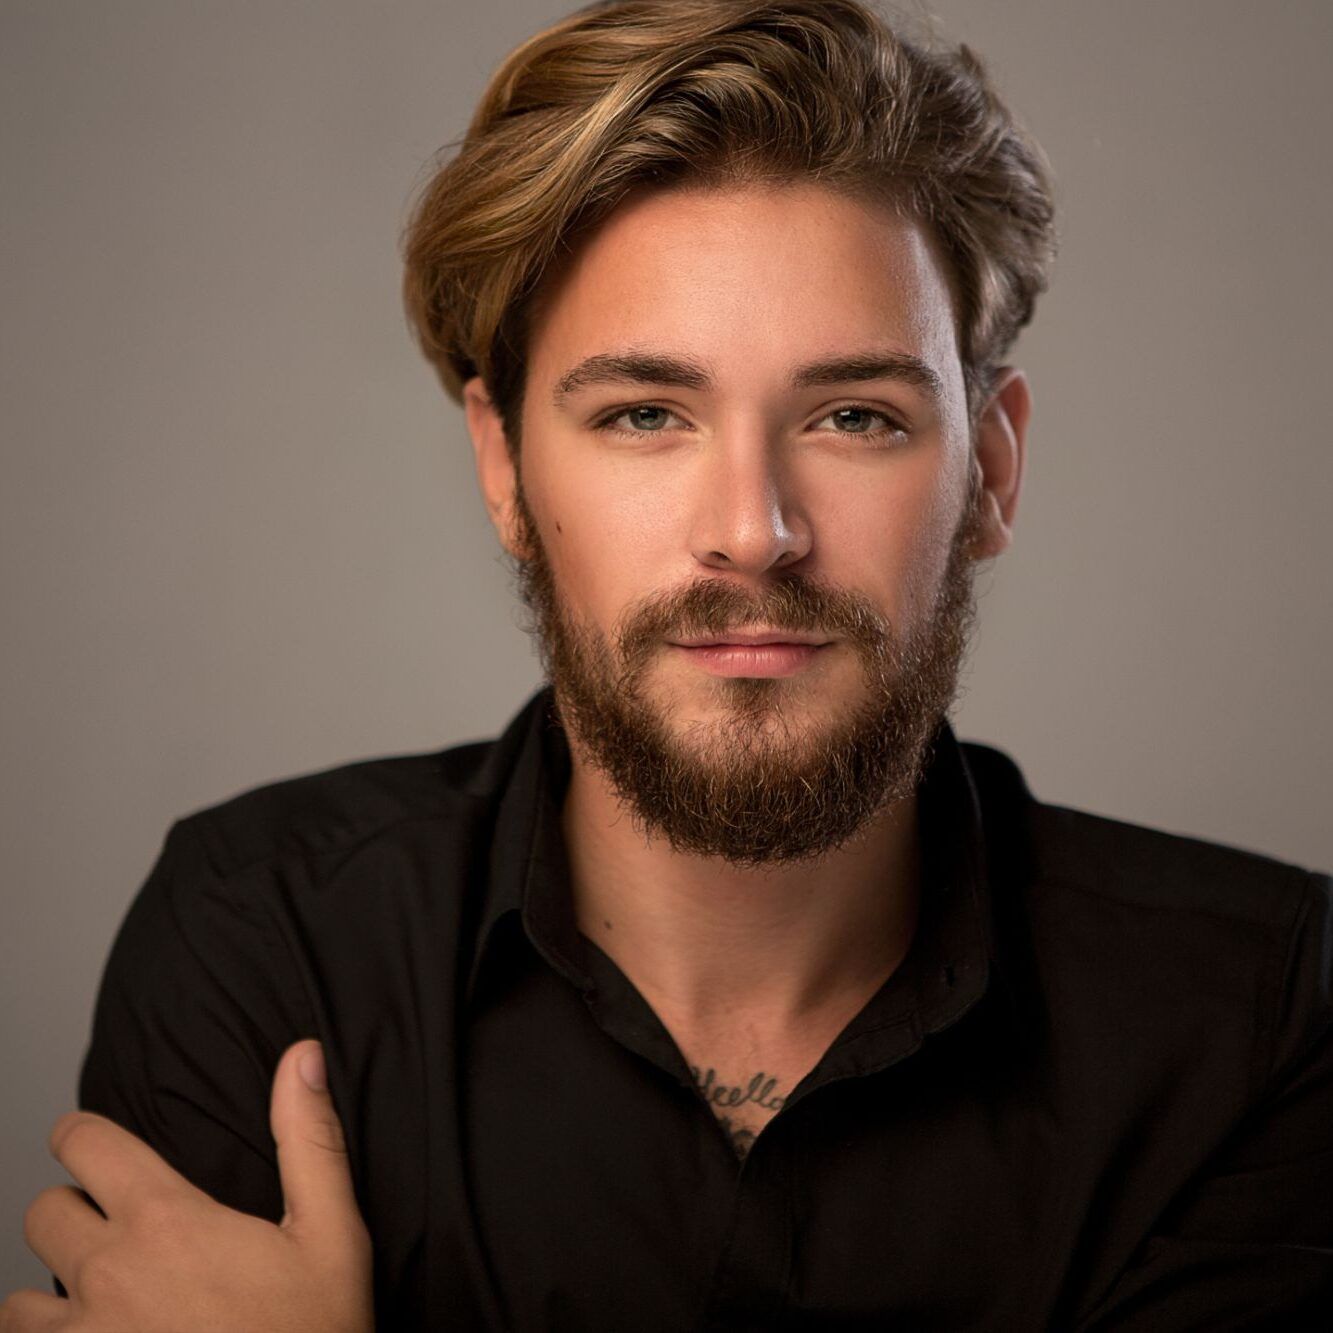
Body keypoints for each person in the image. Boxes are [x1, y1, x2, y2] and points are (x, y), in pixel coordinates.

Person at [5, 1, 1330, 1329]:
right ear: (501, 465)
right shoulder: (266, 938)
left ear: (988, 469)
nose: (751, 530)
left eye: (852, 415)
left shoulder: (1261, 1017)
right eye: (645, 413)